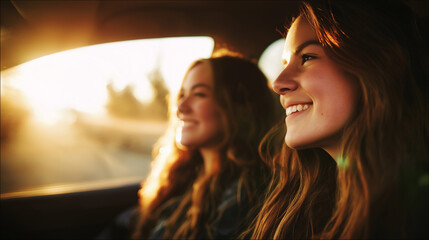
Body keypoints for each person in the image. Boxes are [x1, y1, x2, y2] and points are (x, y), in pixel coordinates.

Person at [245, 0, 429, 239]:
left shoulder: (417, 206)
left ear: (378, 66)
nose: (279, 83)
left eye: (308, 57)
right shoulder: (304, 204)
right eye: (284, 64)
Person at [99, 51, 282, 239]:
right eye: (182, 94)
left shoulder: (246, 193)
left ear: (240, 106)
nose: (181, 107)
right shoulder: (184, 177)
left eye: (199, 94)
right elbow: (130, 221)